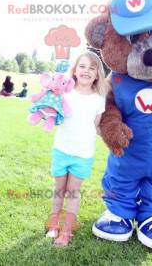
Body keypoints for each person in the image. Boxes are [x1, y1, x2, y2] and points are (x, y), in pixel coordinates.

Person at [45, 52, 107, 247]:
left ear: (97, 74)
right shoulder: (65, 93)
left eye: (92, 68)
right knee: (59, 189)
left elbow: (96, 126)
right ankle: (54, 224)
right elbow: (56, 117)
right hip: (61, 149)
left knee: (73, 192)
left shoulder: (99, 98)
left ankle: (66, 230)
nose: (86, 71)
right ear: (75, 70)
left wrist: (111, 139)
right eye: (82, 66)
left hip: (83, 154)